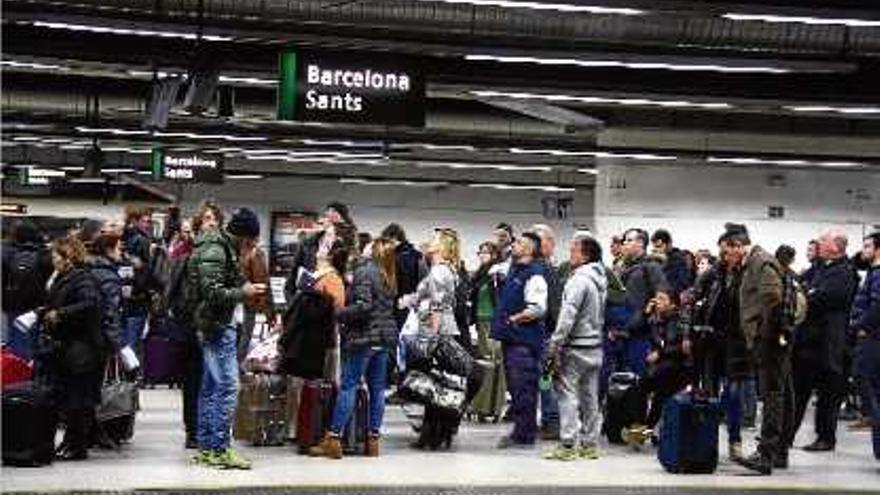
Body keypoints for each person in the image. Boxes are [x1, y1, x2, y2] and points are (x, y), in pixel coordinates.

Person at [189, 204, 266, 470]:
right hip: (217, 325)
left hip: (212, 324)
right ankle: (220, 449)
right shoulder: (218, 250)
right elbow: (211, 291)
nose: (252, 247)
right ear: (245, 237)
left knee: (211, 388)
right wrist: (242, 292)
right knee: (228, 387)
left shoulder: (218, 247)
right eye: (252, 241)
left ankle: (207, 448)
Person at [309, 237, 398, 459]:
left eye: (370, 244)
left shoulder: (366, 270)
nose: (365, 246)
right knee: (377, 390)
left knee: (348, 386)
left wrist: (338, 312)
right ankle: (373, 441)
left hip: (364, 338)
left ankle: (334, 439)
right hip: (384, 339)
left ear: (374, 251)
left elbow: (364, 306)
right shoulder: (389, 273)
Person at [721, 223, 793, 475]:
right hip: (769, 340)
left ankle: (766, 455)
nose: (726, 258)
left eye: (727, 252)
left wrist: (764, 337)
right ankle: (779, 452)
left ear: (738, 246)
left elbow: (772, 298)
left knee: (772, 395)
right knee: (783, 395)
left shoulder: (760, 261)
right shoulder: (752, 262)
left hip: (770, 341)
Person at [790, 228, 858, 453]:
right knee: (798, 392)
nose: (818, 243)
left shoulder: (845, 272)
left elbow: (823, 298)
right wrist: (808, 291)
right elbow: (800, 289)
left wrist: (809, 293)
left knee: (828, 395)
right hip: (808, 342)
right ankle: (785, 436)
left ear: (836, 246)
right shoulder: (819, 268)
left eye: (822, 239)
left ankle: (825, 437)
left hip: (829, 343)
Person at [39, 235, 104, 460]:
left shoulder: (82, 279)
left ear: (68, 257)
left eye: (56, 255)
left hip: (81, 349)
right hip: (70, 347)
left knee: (77, 400)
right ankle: (72, 443)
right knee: (71, 398)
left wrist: (60, 313)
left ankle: (77, 447)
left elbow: (89, 304)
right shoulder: (64, 277)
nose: (52, 259)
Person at [544, 236, 607, 461]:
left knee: (566, 395)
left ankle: (568, 444)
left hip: (576, 347)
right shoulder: (600, 279)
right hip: (595, 347)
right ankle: (590, 444)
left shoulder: (579, 280)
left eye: (574, 251)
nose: (570, 254)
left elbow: (568, 314)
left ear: (586, 255)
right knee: (590, 397)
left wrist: (555, 344)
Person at [492, 232, 548, 449]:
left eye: (519, 243)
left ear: (529, 249)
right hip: (512, 340)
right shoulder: (515, 270)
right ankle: (520, 431)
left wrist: (514, 319)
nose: (514, 246)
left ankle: (524, 435)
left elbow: (538, 308)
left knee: (524, 388)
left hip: (523, 342)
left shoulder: (534, 274)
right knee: (516, 389)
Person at [605, 228, 671, 378]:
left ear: (640, 243)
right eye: (624, 241)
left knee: (636, 385)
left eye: (629, 240)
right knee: (616, 385)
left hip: (639, 336)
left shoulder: (651, 266)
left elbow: (662, 295)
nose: (624, 244)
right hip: (618, 335)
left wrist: (651, 314)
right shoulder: (620, 268)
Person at [2, 219, 53, 359]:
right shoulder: (45, 253)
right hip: (38, 307)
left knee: (17, 341)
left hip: (14, 306)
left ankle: (19, 372)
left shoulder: (5, 252)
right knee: (34, 340)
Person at [849, 232, 880, 459]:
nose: (863, 251)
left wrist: (859, 326)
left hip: (872, 339)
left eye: (868, 246)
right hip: (870, 337)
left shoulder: (878, 274)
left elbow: (877, 307)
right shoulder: (872, 272)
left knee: (867, 383)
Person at [285, 202, 357, 298]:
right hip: (310, 294)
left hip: (336, 293)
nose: (330, 215)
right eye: (328, 213)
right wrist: (290, 298)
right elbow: (294, 271)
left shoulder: (348, 243)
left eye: (335, 212)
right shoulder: (308, 243)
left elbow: (350, 271)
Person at [531, 224, 562, 440]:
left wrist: (555, 336)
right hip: (534, 334)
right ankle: (547, 421)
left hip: (545, 335)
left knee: (546, 380)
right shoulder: (536, 266)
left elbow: (554, 304)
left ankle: (552, 422)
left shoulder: (545, 268)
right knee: (541, 380)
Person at [235, 210, 270, 367]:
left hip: (239, 300)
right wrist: (268, 311)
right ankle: (236, 369)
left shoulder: (239, 252)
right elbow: (261, 281)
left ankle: (234, 368)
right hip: (249, 302)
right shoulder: (257, 254)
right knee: (244, 338)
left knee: (238, 338)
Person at [382, 223, 427, 330]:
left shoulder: (392, 257)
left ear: (393, 238)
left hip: (396, 304)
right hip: (413, 303)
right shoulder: (417, 255)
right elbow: (424, 280)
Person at [650, 229, 694, 300]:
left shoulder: (679, 260)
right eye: (654, 247)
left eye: (659, 246)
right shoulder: (652, 261)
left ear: (669, 244)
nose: (657, 250)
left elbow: (683, 284)